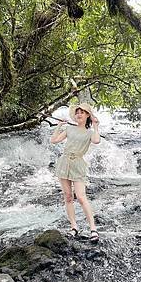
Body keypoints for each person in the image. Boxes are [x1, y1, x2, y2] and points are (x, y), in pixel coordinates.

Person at [50, 102, 100, 241]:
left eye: (82, 112)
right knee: (68, 196)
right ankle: (74, 227)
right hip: (64, 162)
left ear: (87, 115)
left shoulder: (89, 132)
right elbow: (54, 140)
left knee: (81, 196)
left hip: (78, 164)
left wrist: (96, 125)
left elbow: (96, 140)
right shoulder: (69, 129)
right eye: (77, 112)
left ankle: (93, 229)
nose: (79, 114)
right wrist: (59, 126)